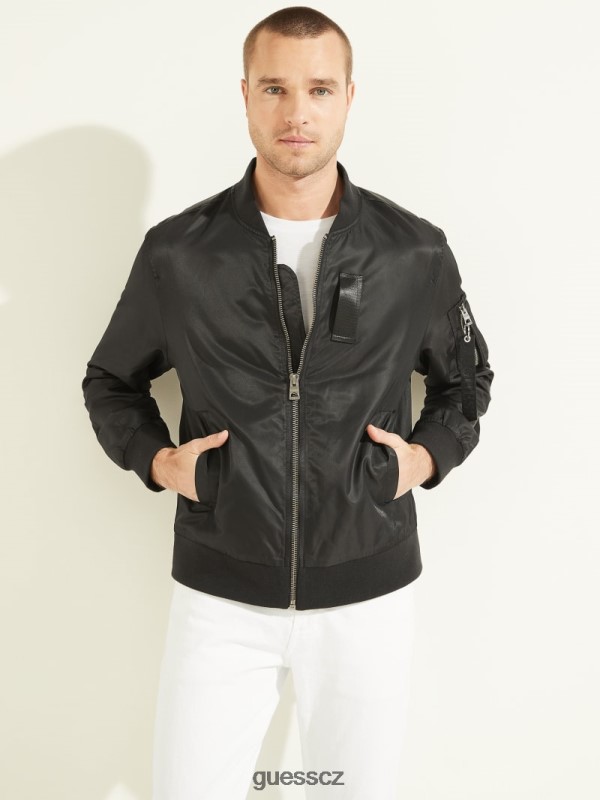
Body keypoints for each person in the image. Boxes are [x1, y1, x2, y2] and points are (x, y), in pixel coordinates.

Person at [82, 6, 494, 799]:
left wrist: (423, 459)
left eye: (319, 89)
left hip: (368, 596)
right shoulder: (181, 252)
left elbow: (467, 381)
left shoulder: (413, 251)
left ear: (348, 98)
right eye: (274, 88)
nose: (296, 112)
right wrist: (160, 463)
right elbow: (110, 380)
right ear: (245, 96)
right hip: (219, 598)